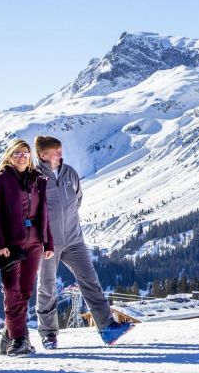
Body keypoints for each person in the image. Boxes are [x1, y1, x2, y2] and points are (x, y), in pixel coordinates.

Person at [33, 136, 134, 347]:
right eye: (56, 152)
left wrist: (67, 223)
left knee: (90, 280)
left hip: (74, 239)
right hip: (47, 242)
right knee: (47, 286)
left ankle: (107, 328)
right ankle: (49, 334)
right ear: (43, 155)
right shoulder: (34, 177)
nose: (60, 155)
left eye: (61, 150)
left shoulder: (70, 173)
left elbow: (77, 200)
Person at [0, 139, 54, 355]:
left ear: (30, 156)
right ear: (9, 155)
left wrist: (47, 243)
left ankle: (11, 334)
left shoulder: (37, 180)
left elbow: (44, 214)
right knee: (11, 290)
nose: (22, 157)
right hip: (10, 244)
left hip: (34, 240)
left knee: (24, 290)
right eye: (17, 153)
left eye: (25, 153)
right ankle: (19, 338)